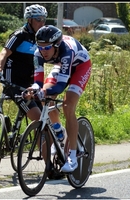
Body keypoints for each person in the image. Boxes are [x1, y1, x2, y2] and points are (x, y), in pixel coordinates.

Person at [28, 25, 92, 173]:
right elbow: (38, 83)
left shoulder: (66, 51)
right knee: (45, 98)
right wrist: (34, 90)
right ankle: (59, 131)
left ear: (56, 45)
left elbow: (60, 86)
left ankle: (73, 156)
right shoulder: (38, 54)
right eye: (40, 47)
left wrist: (43, 91)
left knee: (67, 106)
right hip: (61, 66)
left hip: (80, 67)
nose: (43, 51)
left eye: (47, 47)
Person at [0, 4, 47, 121]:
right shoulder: (20, 35)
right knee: (38, 117)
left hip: (28, 84)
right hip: (12, 83)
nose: (42, 23)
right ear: (29, 20)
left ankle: (43, 139)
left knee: (46, 116)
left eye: (44, 19)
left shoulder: (40, 38)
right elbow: (3, 54)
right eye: (38, 19)